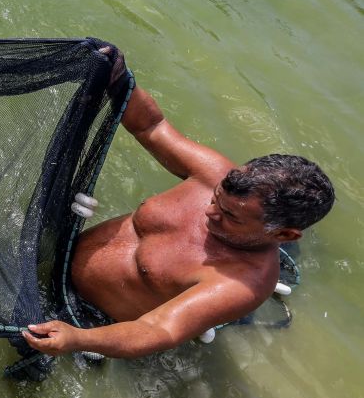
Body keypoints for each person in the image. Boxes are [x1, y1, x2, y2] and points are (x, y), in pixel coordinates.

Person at [22, 80, 334, 360]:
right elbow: (151, 127)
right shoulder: (214, 172)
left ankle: (215, 321)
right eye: (215, 199)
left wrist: (78, 338)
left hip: (92, 319)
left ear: (285, 235)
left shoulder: (242, 284)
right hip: (58, 259)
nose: (210, 213)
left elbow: (158, 330)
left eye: (230, 217)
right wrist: (117, 75)